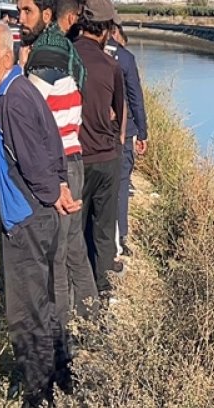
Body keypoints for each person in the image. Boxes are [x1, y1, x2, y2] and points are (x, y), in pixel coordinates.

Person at [0, 18, 79, 408]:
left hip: (27, 220)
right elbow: (50, 146)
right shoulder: (10, 92)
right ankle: (61, 373)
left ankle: (39, 394)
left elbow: (37, 159)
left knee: (24, 310)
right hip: (33, 215)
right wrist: (58, 189)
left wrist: (53, 193)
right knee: (43, 301)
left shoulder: (14, 99)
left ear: (6, 55)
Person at [19, 0, 98, 388]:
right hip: (75, 159)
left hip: (58, 166)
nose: (20, 19)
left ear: (48, 15)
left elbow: (35, 130)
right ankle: (93, 328)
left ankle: (63, 352)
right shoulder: (69, 57)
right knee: (73, 251)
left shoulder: (40, 67)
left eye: (26, 11)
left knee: (54, 261)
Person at [70, 0, 125, 297]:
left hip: (75, 160)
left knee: (75, 232)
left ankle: (78, 299)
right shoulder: (111, 65)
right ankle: (104, 295)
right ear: (105, 30)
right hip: (106, 159)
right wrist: (116, 144)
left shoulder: (66, 59)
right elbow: (120, 112)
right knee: (103, 232)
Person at [110, 23, 148, 257]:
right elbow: (136, 97)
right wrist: (142, 132)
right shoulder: (125, 59)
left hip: (94, 131)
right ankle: (121, 236)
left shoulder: (82, 53)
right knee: (122, 183)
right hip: (126, 130)